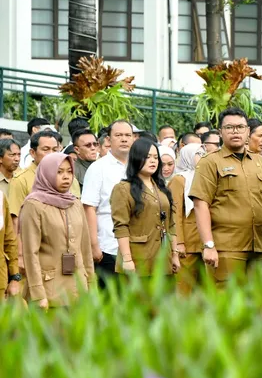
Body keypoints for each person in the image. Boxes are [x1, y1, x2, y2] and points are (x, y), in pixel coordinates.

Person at [189, 107, 262, 285]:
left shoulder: (261, 162)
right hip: (226, 248)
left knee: (260, 304)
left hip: (260, 247)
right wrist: (209, 245)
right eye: (229, 127)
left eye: (240, 127)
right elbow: (201, 205)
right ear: (221, 132)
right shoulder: (210, 162)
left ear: (247, 131)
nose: (235, 131)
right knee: (227, 305)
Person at [20, 153, 92, 308]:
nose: (66, 177)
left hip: (78, 288)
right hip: (50, 291)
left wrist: (91, 283)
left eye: (69, 171)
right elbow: (30, 253)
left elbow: (85, 248)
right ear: (46, 174)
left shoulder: (75, 203)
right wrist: (38, 294)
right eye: (59, 172)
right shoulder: (34, 205)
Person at [111, 139, 179, 277]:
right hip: (138, 258)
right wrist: (127, 258)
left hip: (163, 258)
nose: (153, 161)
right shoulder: (123, 189)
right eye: (147, 157)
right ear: (136, 158)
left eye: (155, 157)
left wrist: (175, 254)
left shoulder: (161, 188)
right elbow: (121, 226)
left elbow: (171, 224)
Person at [82, 120, 133, 283]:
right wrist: (94, 245)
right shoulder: (98, 168)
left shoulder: (138, 167)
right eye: (118, 135)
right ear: (109, 140)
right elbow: (89, 207)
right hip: (107, 246)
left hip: (135, 247)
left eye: (128, 135)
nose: (124, 139)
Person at [9, 129, 81, 231]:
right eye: (46, 149)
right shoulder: (21, 180)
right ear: (33, 153)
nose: (51, 154)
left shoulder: (71, 179)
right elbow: (16, 221)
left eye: (55, 150)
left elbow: (78, 213)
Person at [168, 143, 205, 294]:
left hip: (203, 243)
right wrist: (179, 243)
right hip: (187, 245)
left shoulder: (204, 177)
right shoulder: (179, 180)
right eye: (198, 154)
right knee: (184, 288)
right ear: (188, 156)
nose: (202, 157)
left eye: (204, 154)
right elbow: (174, 214)